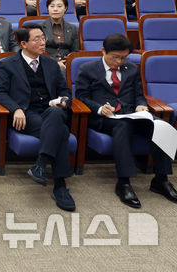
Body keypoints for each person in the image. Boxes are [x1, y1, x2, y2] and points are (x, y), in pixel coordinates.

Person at [75, 33, 177, 208]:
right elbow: (81, 97)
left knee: (161, 126)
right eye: (115, 57)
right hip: (105, 117)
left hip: (132, 114)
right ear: (104, 51)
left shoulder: (132, 69)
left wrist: (141, 105)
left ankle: (161, 180)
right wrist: (99, 108)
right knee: (122, 126)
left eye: (124, 58)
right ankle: (124, 183)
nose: (119, 62)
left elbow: (139, 94)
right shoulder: (88, 69)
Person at [0, 25, 75, 211]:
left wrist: (64, 101)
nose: (43, 42)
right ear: (23, 44)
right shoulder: (9, 64)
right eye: (37, 39)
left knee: (56, 114)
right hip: (27, 113)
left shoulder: (51, 64)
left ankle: (41, 164)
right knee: (61, 132)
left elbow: (64, 91)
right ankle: (60, 185)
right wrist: (15, 109)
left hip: (50, 109)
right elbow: (0, 92)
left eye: (43, 38)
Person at [40, 0, 79, 69]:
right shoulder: (40, 28)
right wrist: (55, 62)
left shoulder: (72, 28)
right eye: (52, 6)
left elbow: (75, 51)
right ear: (48, 8)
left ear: (65, 8)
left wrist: (68, 62)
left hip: (67, 64)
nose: (55, 9)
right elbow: (37, 52)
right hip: (46, 63)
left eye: (59, 6)